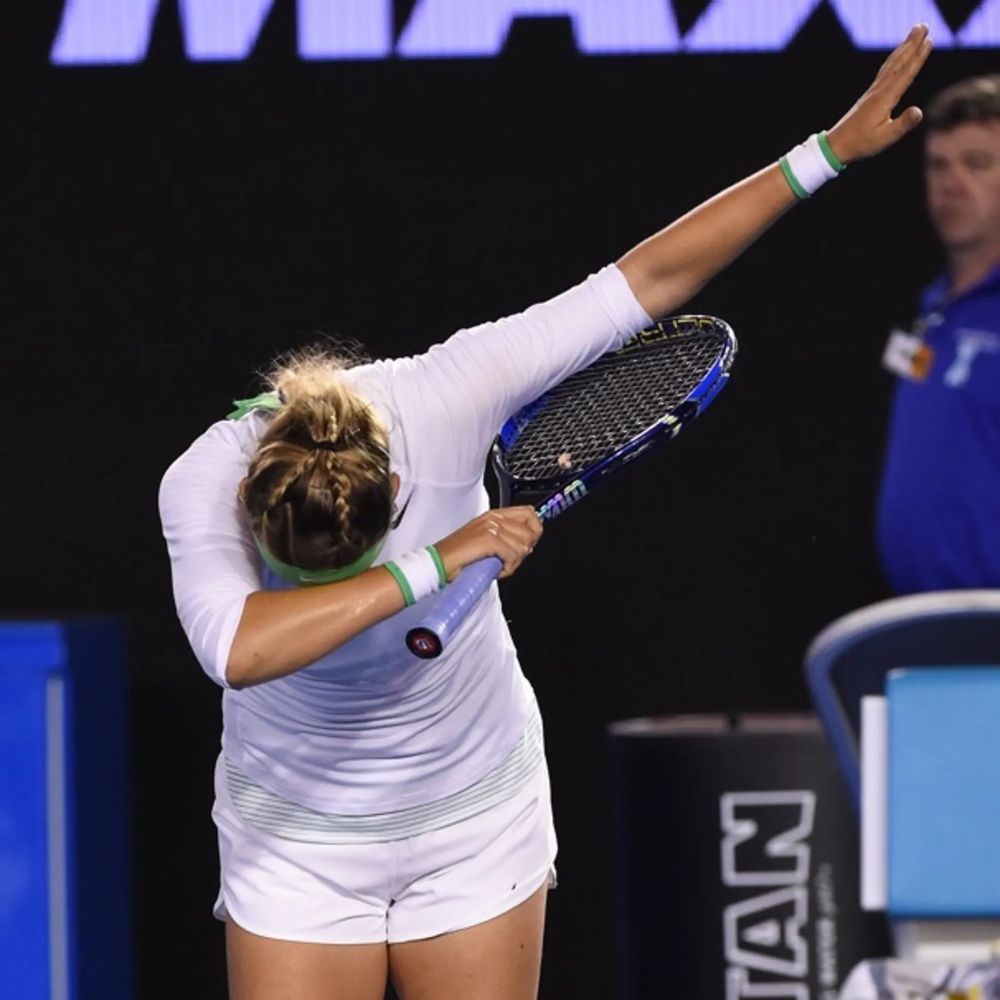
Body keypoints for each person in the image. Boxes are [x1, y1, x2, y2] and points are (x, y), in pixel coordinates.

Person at [158, 26, 932, 1000]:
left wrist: (825, 153)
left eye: (356, 558)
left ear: (392, 489)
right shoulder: (203, 479)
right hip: (296, 840)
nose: (341, 587)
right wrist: (440, 559)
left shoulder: (446, 394)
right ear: (254, 509)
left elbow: (647, 280)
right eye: (313, 571)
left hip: (473, 816)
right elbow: (238, 649)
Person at [876, 73, 1000, 595]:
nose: (951, 182)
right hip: (921, 623)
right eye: (938, 165)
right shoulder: (931, 308)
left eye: (976, 164)